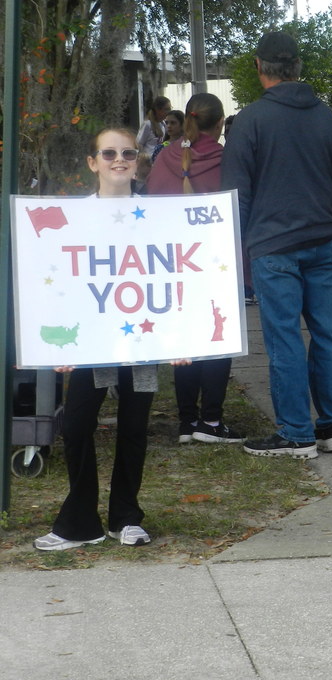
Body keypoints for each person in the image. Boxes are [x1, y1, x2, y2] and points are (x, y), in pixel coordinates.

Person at [34, 128, 192, 551]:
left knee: (134, 427)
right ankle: (79, 523)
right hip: (91, 341)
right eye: (108, 153)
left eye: (127, 153)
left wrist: (182, 337)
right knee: (77, 425)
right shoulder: (73, 217)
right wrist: (57, 345)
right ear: (93, 162)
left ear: (138, 161)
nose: (119, 159)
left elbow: (174, 276)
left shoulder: (158, 216)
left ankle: (126, 517)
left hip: (143, 339)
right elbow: (57, 281)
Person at [221, 30, 332, 459]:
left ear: (258, 66)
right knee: (327, 332)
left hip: (273, 242)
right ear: (297, 66)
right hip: (323, 239)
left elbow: (236, 195)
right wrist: (323, 214)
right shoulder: (326, 117)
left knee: (284, 337)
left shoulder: (250, 120)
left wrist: (239, 242)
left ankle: (296, 433)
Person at [148, 93, 246, 447]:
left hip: (174, 263)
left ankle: (187, 421)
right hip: (216, 262)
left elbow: (151, 206)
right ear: (219, 123)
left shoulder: (165, 157)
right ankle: (211, 420)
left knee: (185, 337)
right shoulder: (226, 159)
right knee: (218, 335)